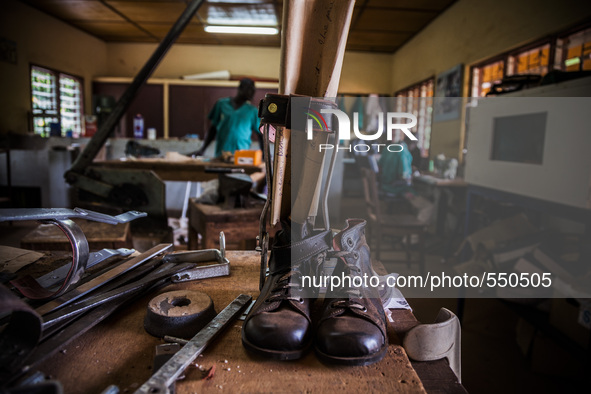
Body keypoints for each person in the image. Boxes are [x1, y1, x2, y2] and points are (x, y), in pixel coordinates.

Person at [192, 78, 262, 159]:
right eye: (249, 89)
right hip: (222, 153)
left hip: (241, 155)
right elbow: (213, 129)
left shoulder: (252, 111)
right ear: (240, 88)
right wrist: (203, 149)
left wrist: (265, 155)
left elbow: (260, 134)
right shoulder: (221, 104)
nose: (252, 93)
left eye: (253, 90)